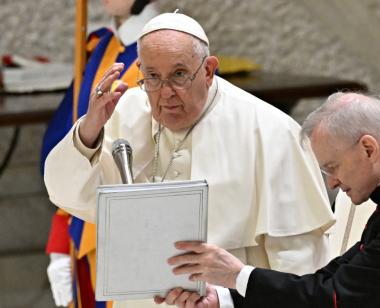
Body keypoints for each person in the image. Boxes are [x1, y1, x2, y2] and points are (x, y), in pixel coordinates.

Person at [44, 11, 335, 308]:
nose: (165, 93)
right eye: (152, 77)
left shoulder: (270, 131)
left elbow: (298, 262)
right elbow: (69, 194)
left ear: (208, 70)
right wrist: (89, 130)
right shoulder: (124, 112)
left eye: (179, 75)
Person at [157, 93, 380, 308]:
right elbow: (329, 280)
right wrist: (224, 298)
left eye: (333, 168)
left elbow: (334, 298)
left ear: (368, 148)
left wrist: (237, 274)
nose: (333, 182)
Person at [41, 1, 159, 307]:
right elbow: (72, 149)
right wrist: (58, 239)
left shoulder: (168, 51)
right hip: (84, 227)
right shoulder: (101, 47)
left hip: (142, 229)